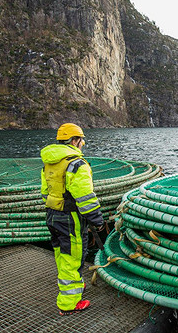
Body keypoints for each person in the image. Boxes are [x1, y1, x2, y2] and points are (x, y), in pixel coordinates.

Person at [40, 123, 106, 316]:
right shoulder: (76, 164)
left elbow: (46, 192)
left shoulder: (50, 162)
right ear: (75, 140)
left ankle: (75, 284)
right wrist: (97, 220)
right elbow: (85, 196)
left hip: (52, 214)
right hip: (70, 218)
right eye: (81, 140)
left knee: (62, 254)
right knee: (73, 257)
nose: (82, 144)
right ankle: (69, 303)